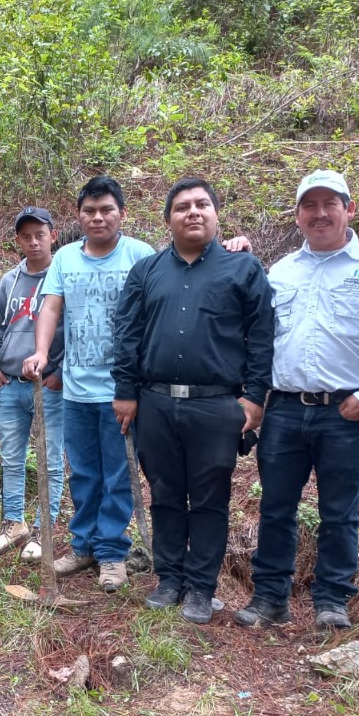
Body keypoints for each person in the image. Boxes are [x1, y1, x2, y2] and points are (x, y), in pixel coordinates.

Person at [226, 171, 359, 631]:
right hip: (286, 408)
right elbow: (255, 334)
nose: (320, 213)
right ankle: (270, 598)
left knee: (339, 511)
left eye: (329, 203)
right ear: (297, 216)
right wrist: (235, 256)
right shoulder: (279, 272)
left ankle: (332, 600)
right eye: (309, 206)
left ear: (348, 209)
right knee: (276, 506)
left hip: (346, 410)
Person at [112, 177, 274, 624]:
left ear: (217, 214)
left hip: (217, 405)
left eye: (203, 204)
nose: (193, 212)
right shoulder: (146, 271)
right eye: (182, 206)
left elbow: (261, 336)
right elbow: (126, 333)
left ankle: (201, 587)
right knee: (164, 494)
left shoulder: (243, 270)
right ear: (168, 219)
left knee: (209, 498)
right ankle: (170, 579)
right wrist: (125, 391)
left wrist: (255, 396)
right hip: (155, 402)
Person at [23, 175, 155, 592]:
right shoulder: (65, 258)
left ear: (122, 213)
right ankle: (84, 546)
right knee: (83, 472)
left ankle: (113, 553)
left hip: (121, 390)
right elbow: (51, 308)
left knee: (117, 473)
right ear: (78, 216)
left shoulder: (141, 255)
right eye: (89, 211)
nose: (97, 218)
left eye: (106, 210)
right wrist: (42, 352)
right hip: (77, 387)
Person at [0, 206, 66, 561]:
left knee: (49, 459)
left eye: (40, 234)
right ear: (17, 240)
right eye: (26, 236)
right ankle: (13, 522)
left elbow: (73, 329)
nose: (33, 242)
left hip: (47, 385)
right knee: (12, 457)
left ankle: (43, 529)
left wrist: (58, 373)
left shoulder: (63, 277)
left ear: (54, 235)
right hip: (11, 384)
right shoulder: (9, 281)